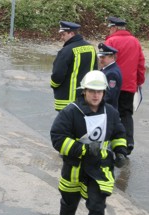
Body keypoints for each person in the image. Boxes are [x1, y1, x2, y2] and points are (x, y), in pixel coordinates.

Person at [50, 70, 127, 215]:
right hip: (75, 168)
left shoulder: (110, 112)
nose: (95, 95)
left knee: (97, 208)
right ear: (84, 91)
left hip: (99, 169)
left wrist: (120, 152)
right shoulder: (71, 111)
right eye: (91, 91)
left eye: (99, 91)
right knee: (69, 204)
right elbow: (57, 138)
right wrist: (82, 149)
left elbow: (119, 133)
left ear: (104, 93)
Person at [105, 16, 146, 155]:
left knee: (111, 112)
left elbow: (105, 62)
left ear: (114, 27)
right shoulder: (135, 42)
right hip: (129, 85)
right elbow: (141, 64)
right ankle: (128, 142)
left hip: (113, 84)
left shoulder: (111, 41)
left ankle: (113, 142)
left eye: (110, 28)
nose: (109, 31)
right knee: (126, 114)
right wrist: (139, 82)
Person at [50, 21, 98, 111]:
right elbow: (95, 71)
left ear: (71, 33)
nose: (62, 38)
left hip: (67, 101)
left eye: (63, 34)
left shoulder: (66, 51)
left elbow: (57, 75)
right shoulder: (91, 48)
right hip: (86, 99)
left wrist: (53, 85)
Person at [97, 43, 122, 109]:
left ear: (112, 57)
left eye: (103, 57)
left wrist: (96, 105)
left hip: (107, 109)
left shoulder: (112, 73)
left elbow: (109, 96)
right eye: (100, 57)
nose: (100, 60)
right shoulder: (107, 69)